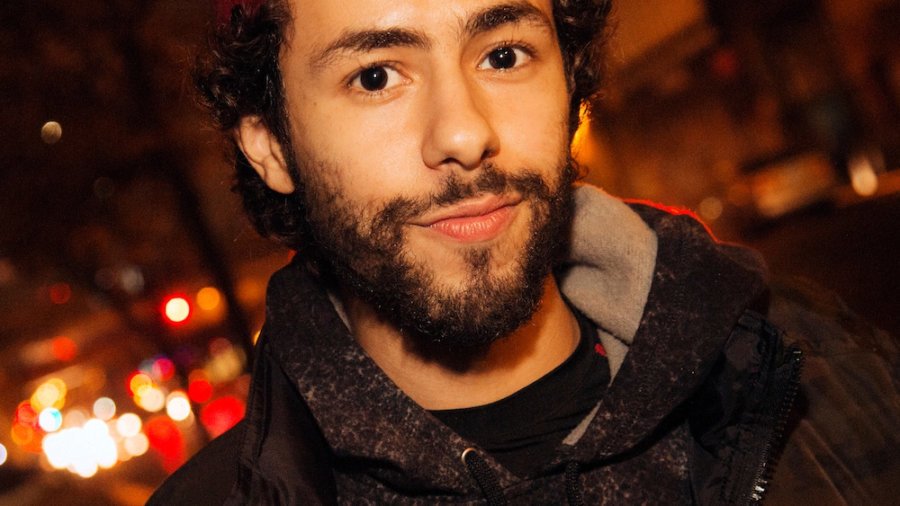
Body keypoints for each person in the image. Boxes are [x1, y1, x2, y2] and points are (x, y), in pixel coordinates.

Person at [150, 0, 900, 503]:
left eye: (504, 56)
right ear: (273, 147)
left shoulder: (831, 378)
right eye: (376, 76)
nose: (464, 132)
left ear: (571, 81)